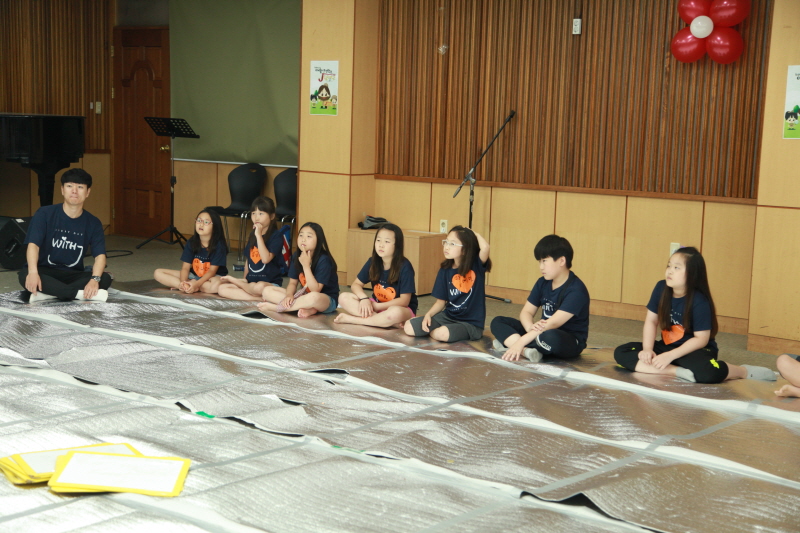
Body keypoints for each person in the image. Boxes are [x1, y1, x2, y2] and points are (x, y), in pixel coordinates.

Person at [613, 247, 775, 383]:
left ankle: (742, 371)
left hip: (695, 350)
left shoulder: (699, 300)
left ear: (692, 274)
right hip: (667, 347)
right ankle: (676, 371)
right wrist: (647, 349)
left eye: (677, 268)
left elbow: (701, 339)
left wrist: (669, 356)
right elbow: (651, 321)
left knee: (707, 373)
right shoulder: (661, 288)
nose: (670, 271)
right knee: (621, 352)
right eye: (669, 266)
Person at [491, 234, 589, 362]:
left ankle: (511, 344)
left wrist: (520, 341)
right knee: (498, 322)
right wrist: (529, 328)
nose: (541, 267)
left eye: (544, 261)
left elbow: (553, 323)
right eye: (539, 261)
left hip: (565, 339)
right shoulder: (542, 282)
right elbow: (526, 312)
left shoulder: (576, 290)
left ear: (561, 261)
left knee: (550, 337)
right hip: (539, 332)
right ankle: (526, 351)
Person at [20, 169, 113, 302]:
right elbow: (33, 245)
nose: (74, 191)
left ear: (88, 192)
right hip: (45, 271)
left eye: (80, 187)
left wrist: (94, 279)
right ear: (62, 190)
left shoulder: (93, 222)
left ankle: (50, 294)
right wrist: (33, 273)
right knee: (25, 275)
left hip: (73, 274)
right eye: (69, 186)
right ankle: (77, 294)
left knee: (104, 278)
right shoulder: (44, 214)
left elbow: (100, 256)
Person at [404, 225, 490, 343]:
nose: (447, 247)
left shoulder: (476, 265)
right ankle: (439, 331)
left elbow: (485, 247)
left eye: (452, 244)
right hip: (447, 317)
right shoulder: (445, 270)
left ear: (465, 249)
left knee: (442, 334)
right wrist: (428, 315)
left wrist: (473, 233)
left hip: (470, 323)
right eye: (446, 242)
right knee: (409, 327)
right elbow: (440, 302)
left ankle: (440, 332)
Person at [335, 223, 417, 328]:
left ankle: (354, 320)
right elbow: (356, 284)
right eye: (378, 240)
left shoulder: (405, 267)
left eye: (387, 241)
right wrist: (364, 299)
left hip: (401, 308)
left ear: (397, 245)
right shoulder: (373, 262)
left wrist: (377, 306)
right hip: (376, 306)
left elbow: (404, 301)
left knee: (395, 313)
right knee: (343, 297)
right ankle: (383, 321)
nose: (381, 245)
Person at [257, 222, 339, 318]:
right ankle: (308, 309)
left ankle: (279, 308)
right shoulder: (297, 255)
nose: (303, 239)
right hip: (304, 296)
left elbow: (315, 290)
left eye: (309, 236)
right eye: (301, 235)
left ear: (318, 240)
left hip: (325, 300)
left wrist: (306, 266)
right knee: (267, 291)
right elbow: (292, 283)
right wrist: (289, 295)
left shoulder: (324, 260)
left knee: (313, 297)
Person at [218, 197, 284, 301]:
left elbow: (265, 259)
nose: (256, 218)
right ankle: (258, 298)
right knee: (222, 289)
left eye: (261, 214)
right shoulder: (252, 234)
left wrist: (259, 236)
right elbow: (249, 260)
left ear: (272, 216)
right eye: (253, 213)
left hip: (269, 284)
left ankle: (246, 289)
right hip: (250, 283)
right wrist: (244, 279)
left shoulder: (276, 236)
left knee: (259, 287)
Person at [153, 208, 228, 294]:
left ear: (215, 227)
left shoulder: (219, 245)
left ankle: (192, 286)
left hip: (212, 277)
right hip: (193, 276)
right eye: (199, 220)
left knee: (215, 286)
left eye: (206, 222)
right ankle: (185, 286)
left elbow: (212, 271)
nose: (201, 224)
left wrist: (197, 283)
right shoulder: (192, 242)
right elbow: (185, 268)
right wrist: (183, 282)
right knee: (158, 273)